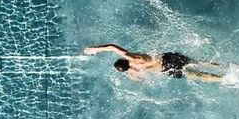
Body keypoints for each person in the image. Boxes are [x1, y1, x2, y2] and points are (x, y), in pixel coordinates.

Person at [82, 44, 225, 83]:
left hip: (165, 70)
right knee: (198, 63)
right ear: (124, 60)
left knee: (196, 75)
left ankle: (221, 79)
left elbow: (140, 81)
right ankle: (224, 67)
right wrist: (95, 49)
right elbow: (112, 47)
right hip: (166, 59)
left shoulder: (132, 72)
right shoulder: (131, 57)